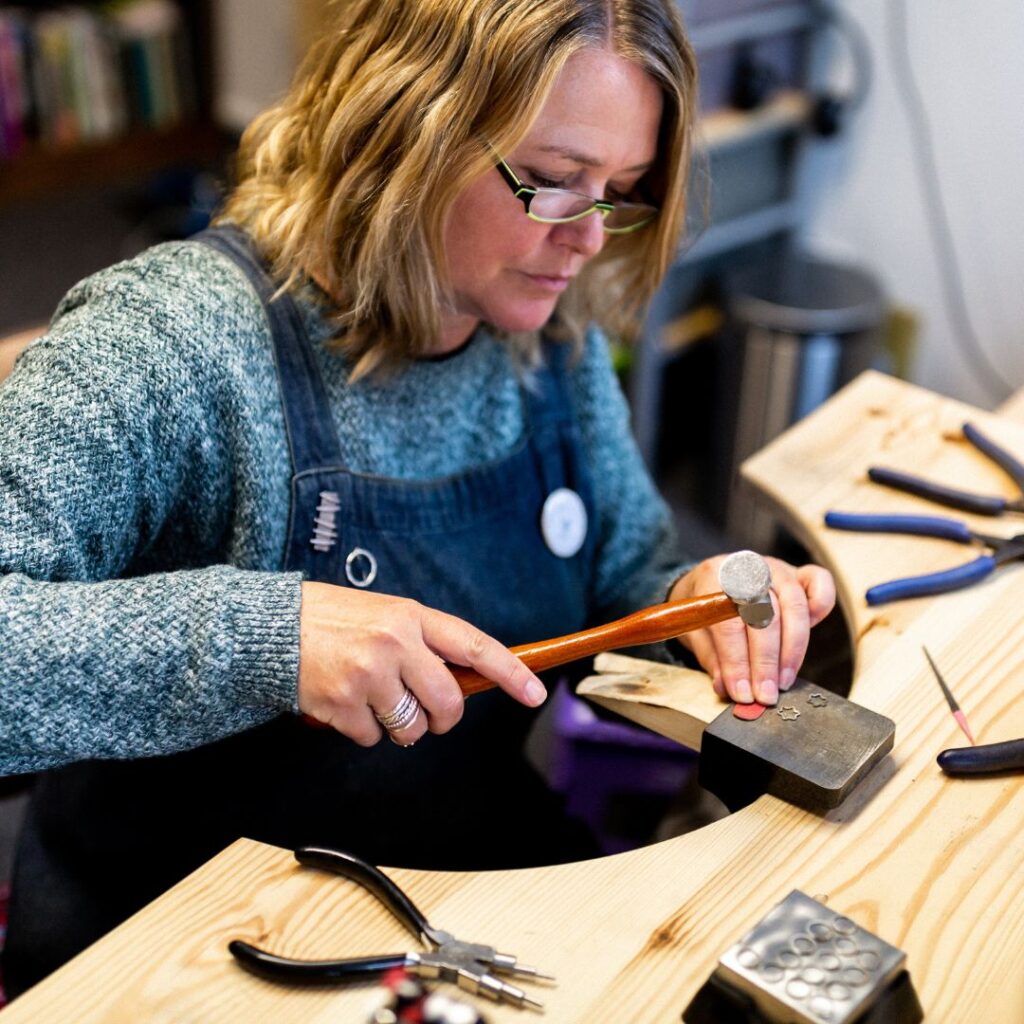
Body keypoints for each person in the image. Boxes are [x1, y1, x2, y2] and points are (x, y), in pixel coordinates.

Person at [0, 0, 835, 997]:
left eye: (620, 192)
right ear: (407, 125)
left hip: (452, 891)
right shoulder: (171, 340)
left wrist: (703, 600)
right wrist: (270, 636)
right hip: (181, 943)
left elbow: (628, 572)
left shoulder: (548, 344)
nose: (587, 240)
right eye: (556, 182)